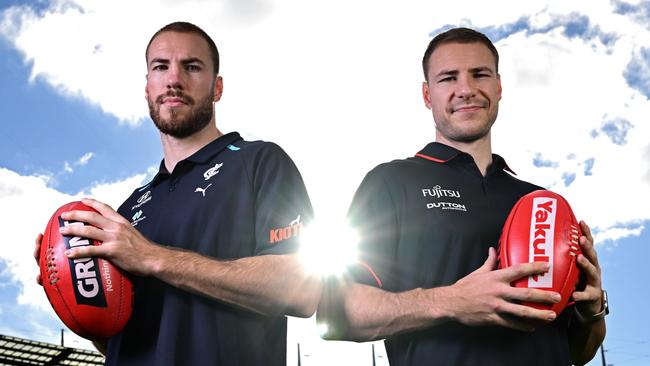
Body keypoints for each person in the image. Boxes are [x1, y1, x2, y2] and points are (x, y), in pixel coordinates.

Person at [34, 21, 320, 366]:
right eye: (161, 66)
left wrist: (154, 257)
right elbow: (129, 344)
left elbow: (302, 290)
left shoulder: (260, 162)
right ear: (147, 87)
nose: (174, 79)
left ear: (217, 87)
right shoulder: (127, 212)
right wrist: (78, 303)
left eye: (192, 66)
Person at [317, 27, 607, 365]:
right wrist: (452, 301)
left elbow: (577, 352)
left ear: (498, 87)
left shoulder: (541, 202)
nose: (466, 89)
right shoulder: (391, 182)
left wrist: (592, 311)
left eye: (479, 74)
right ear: (427, 95)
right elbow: (335, 315)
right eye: (448, 78)